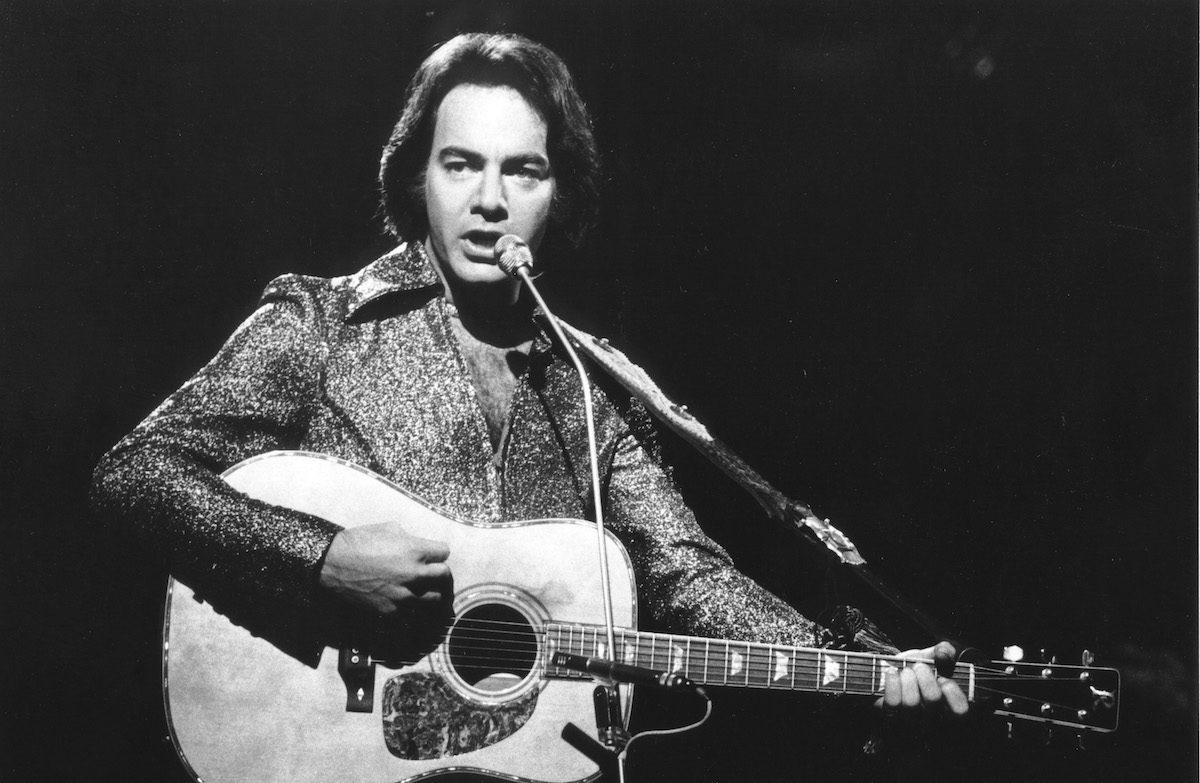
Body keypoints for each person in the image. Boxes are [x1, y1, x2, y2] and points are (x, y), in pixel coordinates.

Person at [90, 30, 964, 746]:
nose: (490, 200)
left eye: (524, 171)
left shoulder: (594, 385)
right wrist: (319, 561)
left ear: (559, 195)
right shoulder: (321, 324)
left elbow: (690, 579)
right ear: (414, 178)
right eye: (461, 165)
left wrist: (863, 663)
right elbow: (133, 472)